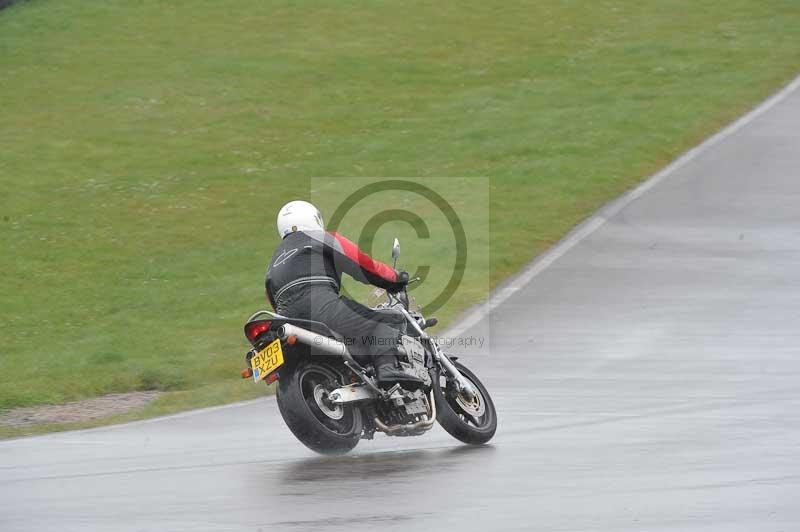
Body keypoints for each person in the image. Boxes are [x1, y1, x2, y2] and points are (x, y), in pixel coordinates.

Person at [265, 200, 421, 385]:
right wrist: (395, 278)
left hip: (288, 320)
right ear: (314, 219)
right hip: (322, 307)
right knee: (380, 324)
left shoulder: (272, 263)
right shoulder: (320, 237)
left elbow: (272, 299)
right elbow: (364, 265)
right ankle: (387, 370)